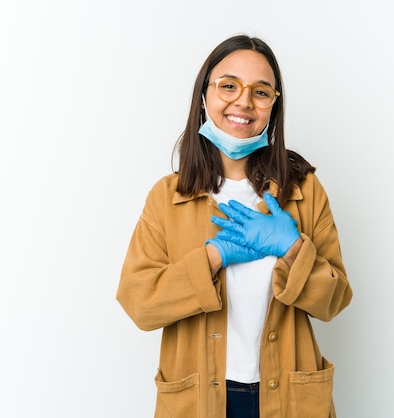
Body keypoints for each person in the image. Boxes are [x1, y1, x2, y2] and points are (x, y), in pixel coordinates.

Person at [116, 34, 352, 418]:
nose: (243, 101)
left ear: (274, 107)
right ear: (204, 95)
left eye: (261, 92)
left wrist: (293, 249)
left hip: (289, 396)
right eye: (228, 86)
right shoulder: (167, 197)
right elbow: (139, 303)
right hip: (199, 399)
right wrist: (213, 256)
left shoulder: (304, 190)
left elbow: (335, 301)